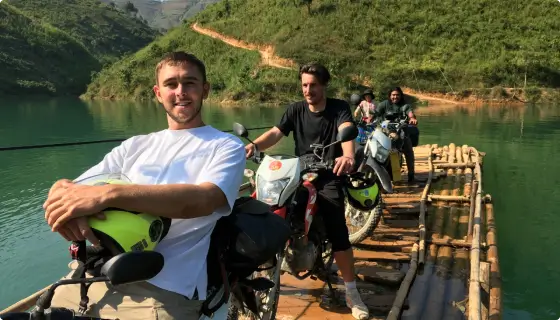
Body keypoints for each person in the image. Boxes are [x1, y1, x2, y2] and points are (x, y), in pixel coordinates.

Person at [43, 51, 246, 319]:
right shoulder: (135, 146)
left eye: (190, 83)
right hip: (92, 275)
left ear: (205, 90)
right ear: (158, 93)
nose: (180, 92)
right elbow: (76, 188)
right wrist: (60, 191)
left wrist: (109, 194)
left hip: (163, 289)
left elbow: (203, 199)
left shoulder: (225, 145)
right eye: (171, 84)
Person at [244, 63, 369, 320]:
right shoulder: (295, 109)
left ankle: (352, 292)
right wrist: (253, 147)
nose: (308, 90)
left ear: (324, 85)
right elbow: (276, 133)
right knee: (270, 207)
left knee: (338, 231)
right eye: (304, 85)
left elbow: (347, 135)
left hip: (328, 174)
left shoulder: (339, 108)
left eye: (313, 85)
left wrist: (347, 156)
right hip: (299, 173)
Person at [374, 86, 418, 183]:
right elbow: (375, 114)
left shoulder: (405, 105)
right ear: (389, 96)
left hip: (402, 133)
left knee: (409, 152)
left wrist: (412, 119)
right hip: (386, 134)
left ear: (401, 96)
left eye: (397, 95)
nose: (395, 97)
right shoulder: (384, 104)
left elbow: (410, 113)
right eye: (393, 95)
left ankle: (411, 174)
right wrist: (369, 118)